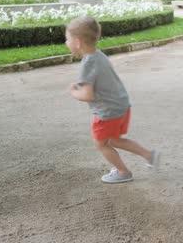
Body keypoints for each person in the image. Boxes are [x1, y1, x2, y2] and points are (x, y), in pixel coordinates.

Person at [65, 16, 160, 183]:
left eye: (67, 39)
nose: (66, 42)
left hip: (107, 113)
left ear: (78, 42)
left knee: (101, 144)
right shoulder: (99, 55)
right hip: (121, 106)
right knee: (114, 140)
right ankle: (150, 156)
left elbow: (88, 95)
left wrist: (73, 92)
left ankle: (123, 172)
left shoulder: (87, 64)